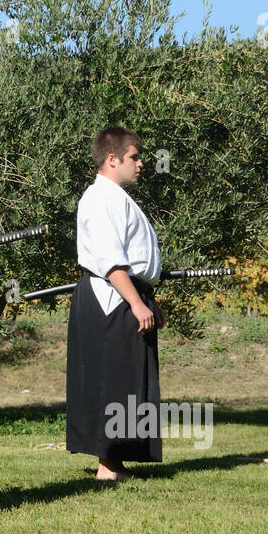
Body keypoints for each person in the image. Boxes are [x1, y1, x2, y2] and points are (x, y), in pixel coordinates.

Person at [66, 126, 166, 481]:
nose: (141, 164)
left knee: (127, 380)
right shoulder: (100, 198)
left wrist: (146, 301)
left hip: (125, 295)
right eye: (134, 157)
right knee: (112, 379)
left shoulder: (116, 197)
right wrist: (137, 303)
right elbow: (111, 261)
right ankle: (107, 466)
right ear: (112, 159)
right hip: (111, 299)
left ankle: (116, 462)